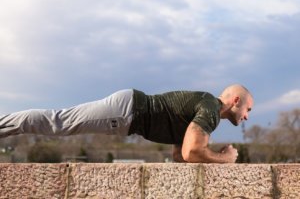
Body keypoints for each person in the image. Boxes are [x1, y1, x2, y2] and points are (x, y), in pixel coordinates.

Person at [0, 84, 253, 163]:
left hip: (129, 109)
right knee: (58, 122)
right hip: (127, 111)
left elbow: (181, 155)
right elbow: (192, 151)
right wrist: (225, 159)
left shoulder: (205, 109)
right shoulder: (209, 109)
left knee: (59, 121)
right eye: (248, 109)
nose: (247, 116)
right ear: (235, 100)